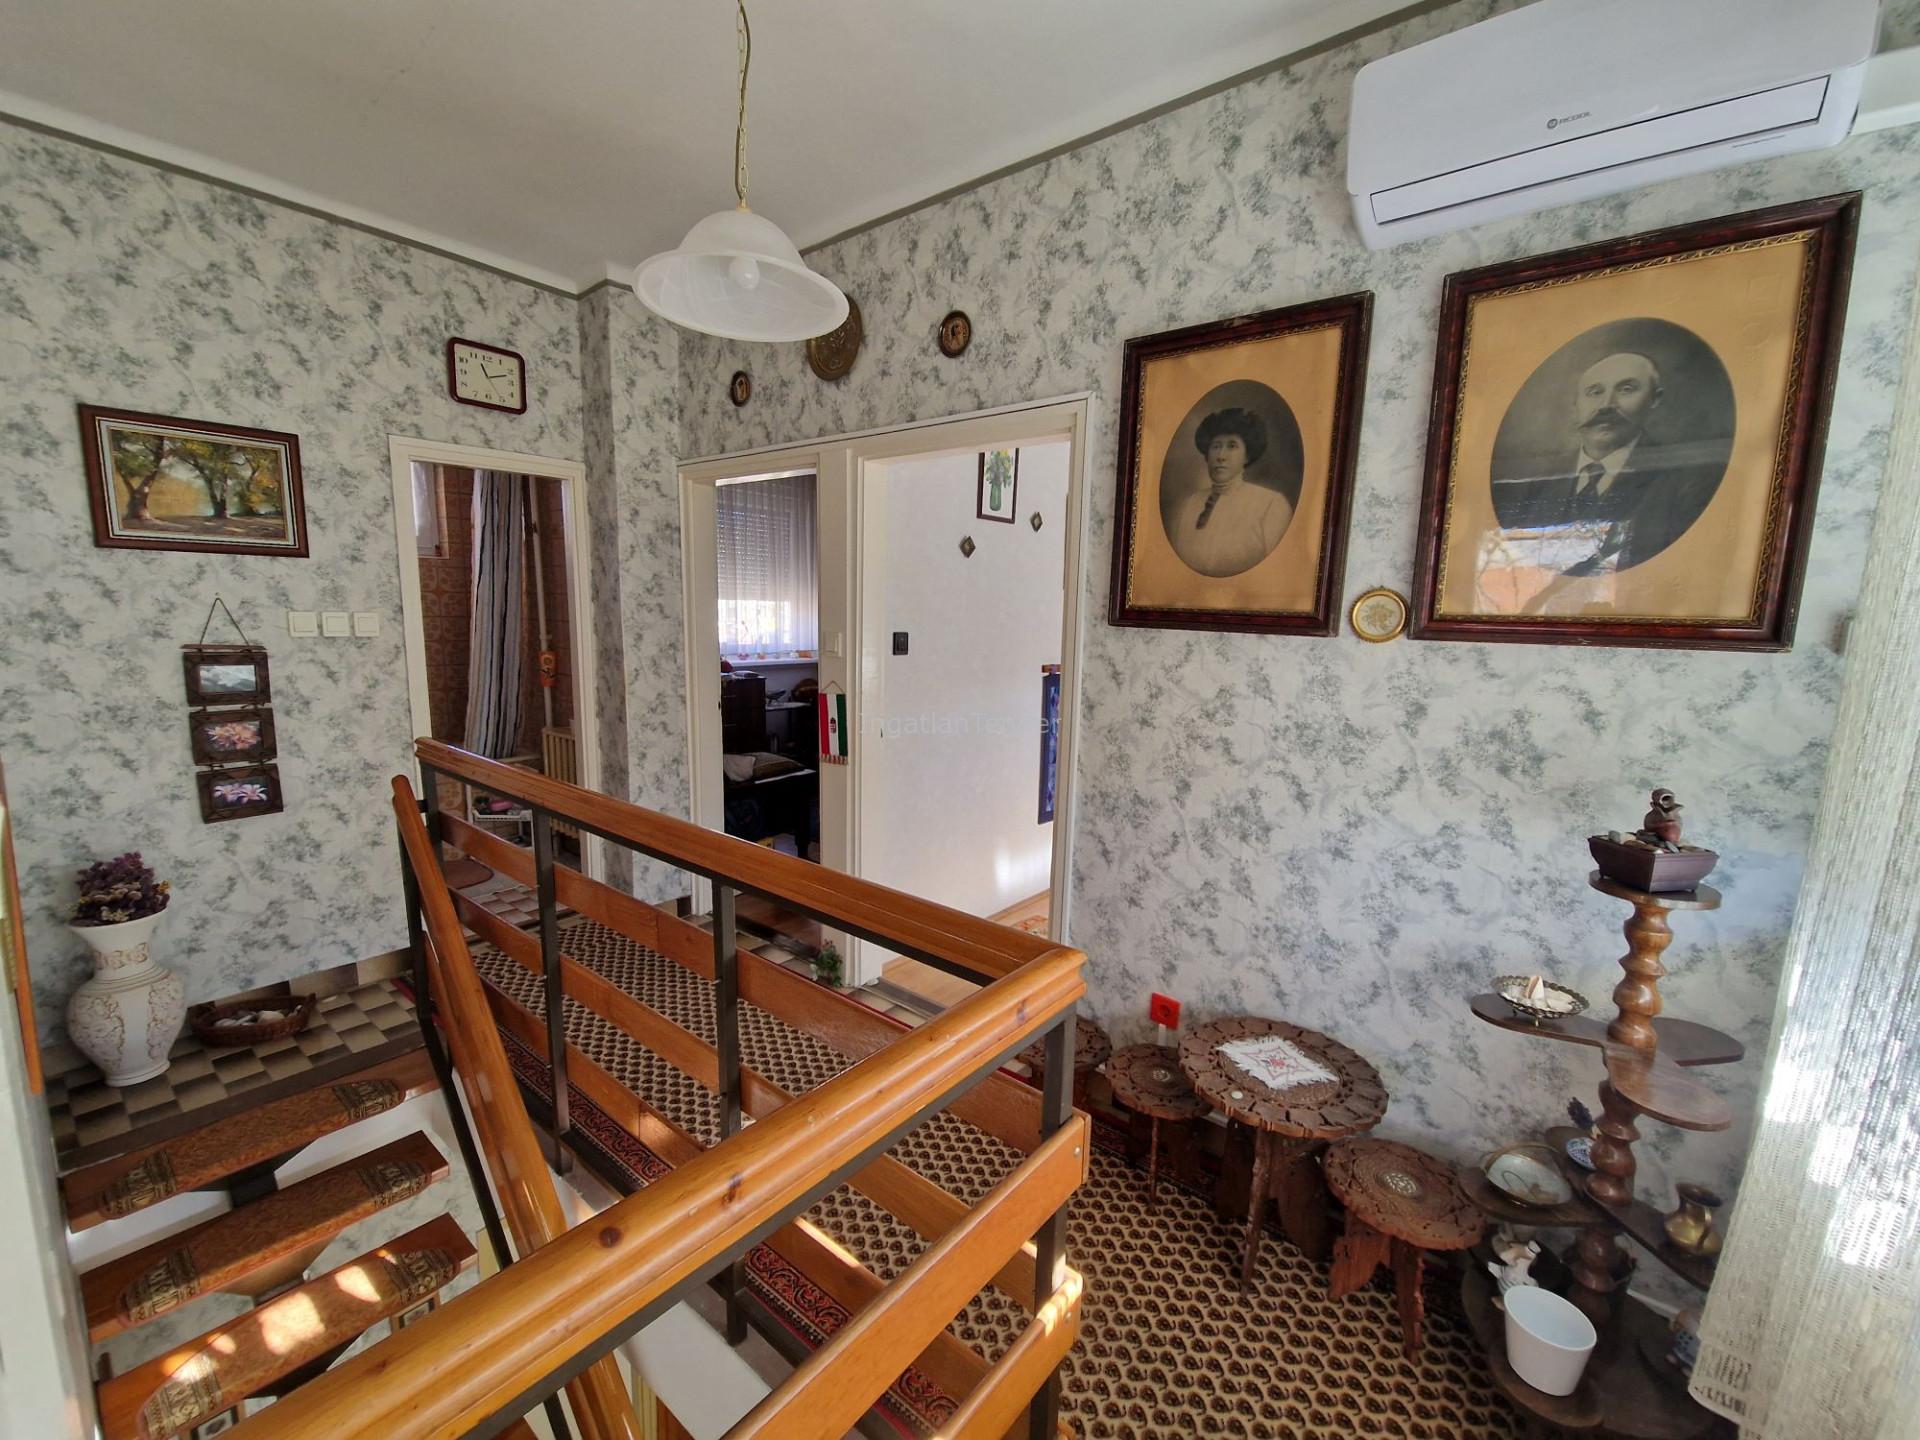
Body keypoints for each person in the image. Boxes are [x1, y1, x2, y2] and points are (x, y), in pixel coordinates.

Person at [1492, 351, 1725, 576]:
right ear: (1576, 405)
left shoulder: (1686, 484)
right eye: (1594, 392)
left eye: (1626, 389)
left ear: (1655, 399)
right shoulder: (1530, 486)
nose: (1606, 405)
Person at [1163, 408, 1294, 577]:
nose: (1221, 456)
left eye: (1232, 446)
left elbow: (1277, 573)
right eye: (1216, 446)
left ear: (1247, 456)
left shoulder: (1271, 504)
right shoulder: (1190, 504)